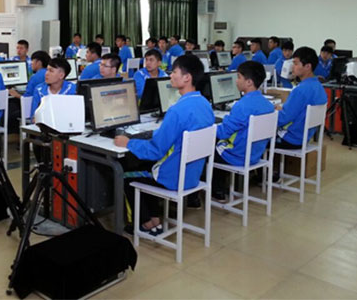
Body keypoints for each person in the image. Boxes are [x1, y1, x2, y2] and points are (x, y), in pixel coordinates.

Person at [113, 54, 214, 235]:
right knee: (147, 167)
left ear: (187, 77)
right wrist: (155, 134)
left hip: (173, 177)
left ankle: (144, 223)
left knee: (126, 174)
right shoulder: (204, 104)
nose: (170, 76)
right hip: (192, 175)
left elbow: (155, 151)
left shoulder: (176, 110)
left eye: (174, 72)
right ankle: (155, 219)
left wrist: (129, 142)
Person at [213, 61, 274, 201]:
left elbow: (223, 133)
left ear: (249, 82)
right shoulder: (268, 105)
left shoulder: (242, 106)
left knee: (204, 147)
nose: (236, 81)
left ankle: (216, 190)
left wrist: (210, 126)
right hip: (255, 154)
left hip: (237, 156)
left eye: (239, 77)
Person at [276, 46, 328, 149]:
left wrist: (270, 112)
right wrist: (283, 109)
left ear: (308, 66)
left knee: (254, 137)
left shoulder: (300, 90)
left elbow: (283, 119)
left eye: (295, 63)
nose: (292, 67)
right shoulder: (318, 86)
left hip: (290, 138)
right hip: (304, 136)